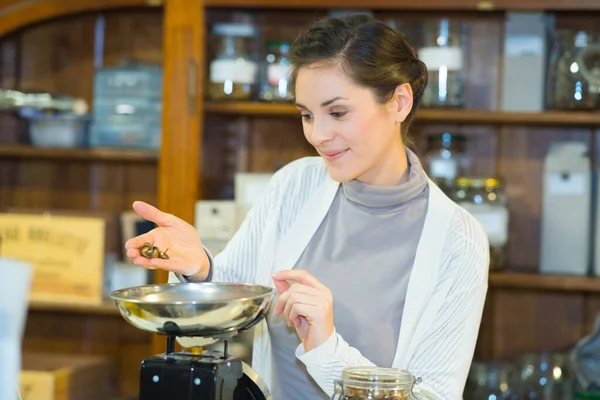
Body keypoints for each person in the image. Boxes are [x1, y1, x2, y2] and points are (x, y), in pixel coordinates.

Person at [125, 13, 490, 400]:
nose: (318, 135)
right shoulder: (295, 185)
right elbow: (234, 302)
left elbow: (433, 395)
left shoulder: (458, 240)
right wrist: (198, 268)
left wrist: (326, 349)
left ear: (399, 102)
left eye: (337, 113)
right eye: (306, 115)